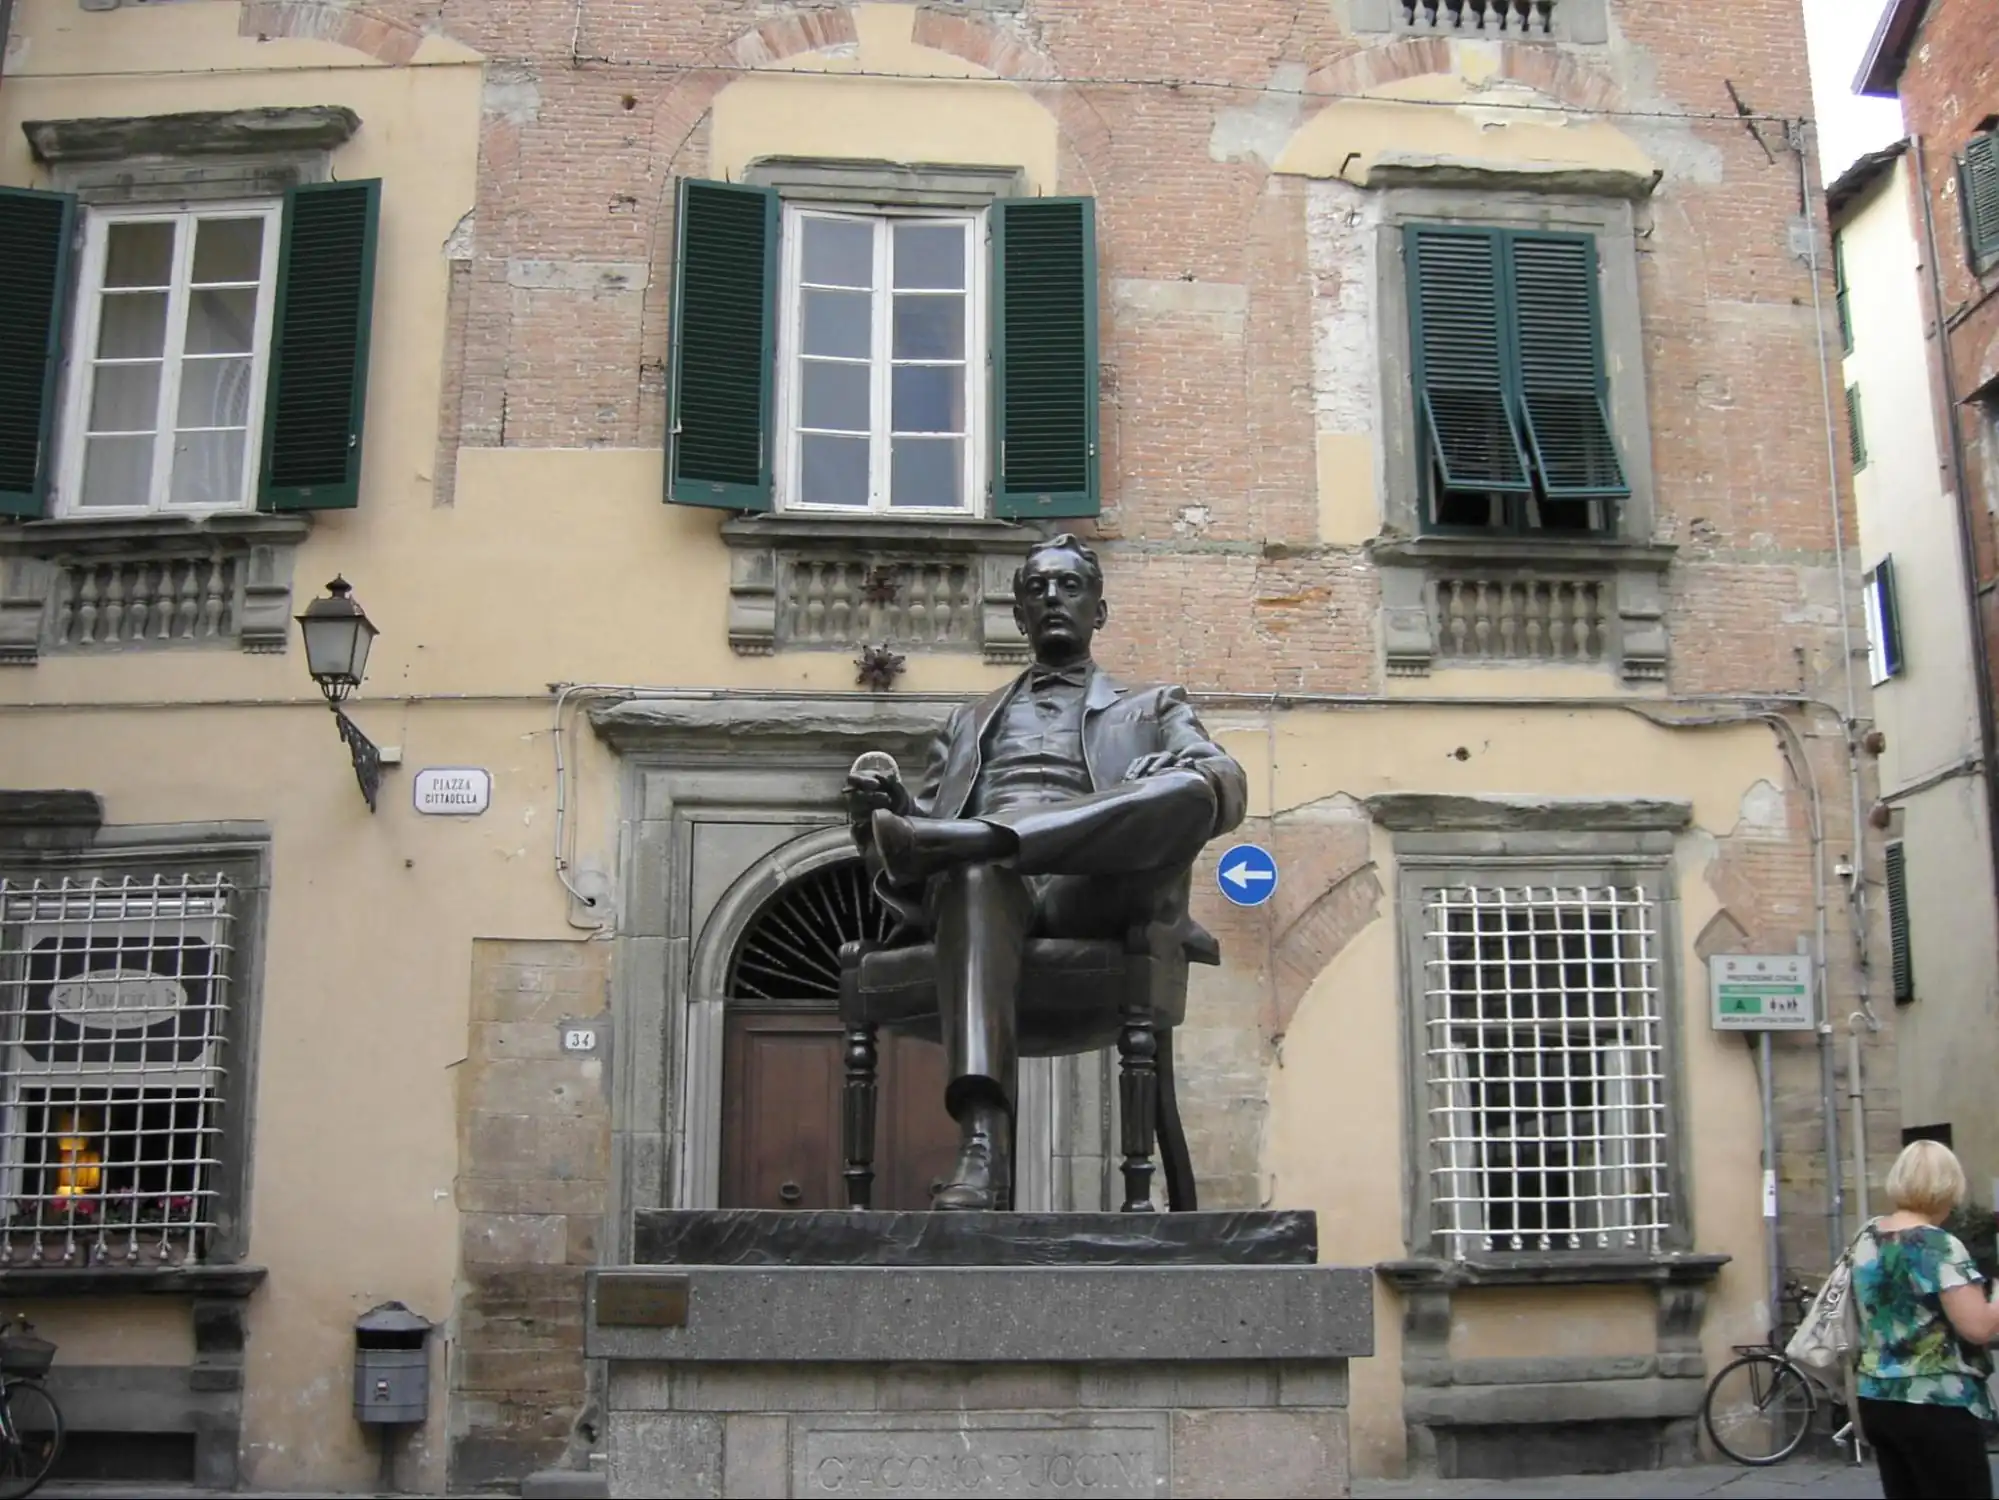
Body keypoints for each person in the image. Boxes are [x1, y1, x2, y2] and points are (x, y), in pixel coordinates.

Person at [843, 534, 1247, 1210]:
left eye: (1069, 586)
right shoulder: (966, 722)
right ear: (1019, 617)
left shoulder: (1151, 707)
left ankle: (969, 840)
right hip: (996, 896)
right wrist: (886, 809)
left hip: (1097, 889)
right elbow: (915, 842)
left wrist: (1177, 767)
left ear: (1099, 611)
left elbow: (1224, 784)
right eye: (1036, 589)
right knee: (973, 872)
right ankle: (980, 1146)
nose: (1053, 598)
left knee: (1191, 790)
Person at [1853, 1139, 1999, 1498]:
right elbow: (1979, 1327)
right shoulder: (1937, 1245)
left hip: (1877, 1397)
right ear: (1948, 1186)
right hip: (1935, 1402)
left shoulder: (1868, 1236)